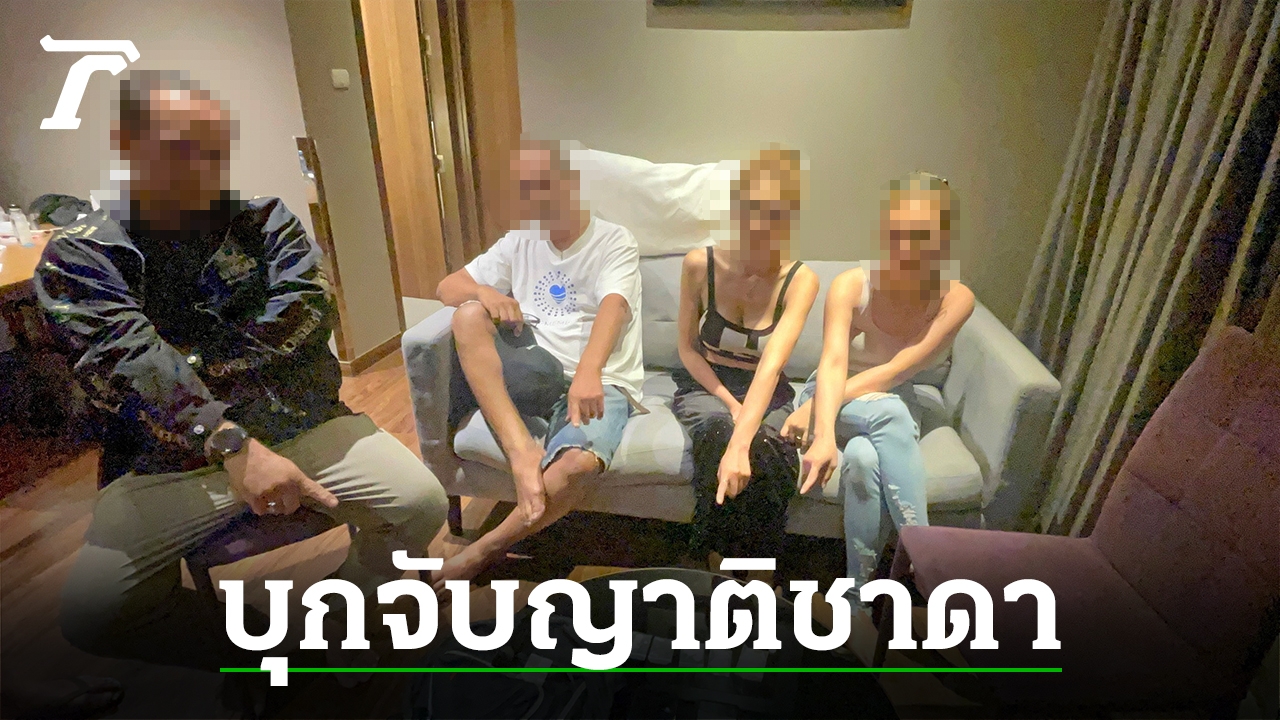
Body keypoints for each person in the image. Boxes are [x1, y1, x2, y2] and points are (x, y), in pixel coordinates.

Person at [35, 70, 448, 678]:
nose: (205, 165)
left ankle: (336, 616)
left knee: (422, 502)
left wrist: (182, 368)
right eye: (182, 145)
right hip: (167, 458)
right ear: (128, 144)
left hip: (296, 424)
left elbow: (304, 315)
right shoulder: (83, 252)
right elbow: (125, 360)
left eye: (215, 145)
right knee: (93, 615)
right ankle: (256, 650)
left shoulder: (264, 221)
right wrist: (226, 437)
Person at [432, 139, 644, 587]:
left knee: (578, 464)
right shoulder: (520, 240)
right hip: (533, 367)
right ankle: (521, 449)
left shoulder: (614, 239)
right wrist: (485, 292)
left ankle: (482, 551)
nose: (537, 198)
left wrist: (588, 372)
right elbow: (447, 287)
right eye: (527, 188)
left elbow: (615, 306)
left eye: (545, 184)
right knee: (467, 315)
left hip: (598, 379)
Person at [783, 171, 975, 596]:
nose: (906, 246)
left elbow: (896, 372)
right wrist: (821, 426)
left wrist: (812, 414)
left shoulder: (955, 298)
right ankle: (929, 569)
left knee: (864, 458)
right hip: (831, 394)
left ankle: (859, 598)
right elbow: (833, 362)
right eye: (898, 232)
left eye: (922, 235)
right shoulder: (853, 284)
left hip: (891, 400)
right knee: (890, 413)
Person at [672, 146, 818, 568]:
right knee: (719, 433)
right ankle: (712, 558)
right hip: (708, 383)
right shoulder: (700, 264)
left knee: (767, 448)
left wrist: (745, 434)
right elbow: (687, 348)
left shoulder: (800, 279)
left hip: (767, 388)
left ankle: (759, 570)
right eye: (752, 208)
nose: (760, 223)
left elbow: (772, 366)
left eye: (774, 212)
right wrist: (731, 406)